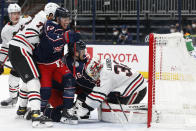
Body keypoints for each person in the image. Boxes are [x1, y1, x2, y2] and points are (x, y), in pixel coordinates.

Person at [8, 2, 59, 128]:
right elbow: (31, 35)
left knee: (28, 80)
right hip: (22, 48)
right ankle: (36, 114)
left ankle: (21, 108)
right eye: (56, 15)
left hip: (18, 48)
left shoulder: (42, 18)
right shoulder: (42, 17)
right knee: (33, 80)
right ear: (51, 13)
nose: (57, 18)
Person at [33, 7, 80, 125]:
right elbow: (52, 40)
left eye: (68, 18)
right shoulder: (49, 25)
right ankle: (40, 112)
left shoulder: (66, 27)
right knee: (46, 91)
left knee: (70, 79)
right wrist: (66, 36)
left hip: (57, 63)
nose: (67, 21)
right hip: (43, 65)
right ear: (57, 18)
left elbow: (69, 43)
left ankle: (67, 110)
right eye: (64, 18)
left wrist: (74, 42)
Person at [75, 57, 147, 119]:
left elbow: (96, 99)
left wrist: (83, 108)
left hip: (137, 89)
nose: (93, 76)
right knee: (108, 100)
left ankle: (146, 114)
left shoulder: (106, 76)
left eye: (93, 73)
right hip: (132, 81)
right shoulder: (104, 61)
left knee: (121, 112)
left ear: (97, 69)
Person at [0, 3, 32, 107]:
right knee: (13, 79)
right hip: (18, 58)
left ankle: (40, 99)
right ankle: (13, 98)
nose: (16, 16)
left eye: (18, 13)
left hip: (31, 55)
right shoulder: (5, 31)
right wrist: (0, 62)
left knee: (32, 81)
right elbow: (5, 47)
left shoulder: (26, 20)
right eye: (13, 14)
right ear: (9, 15)